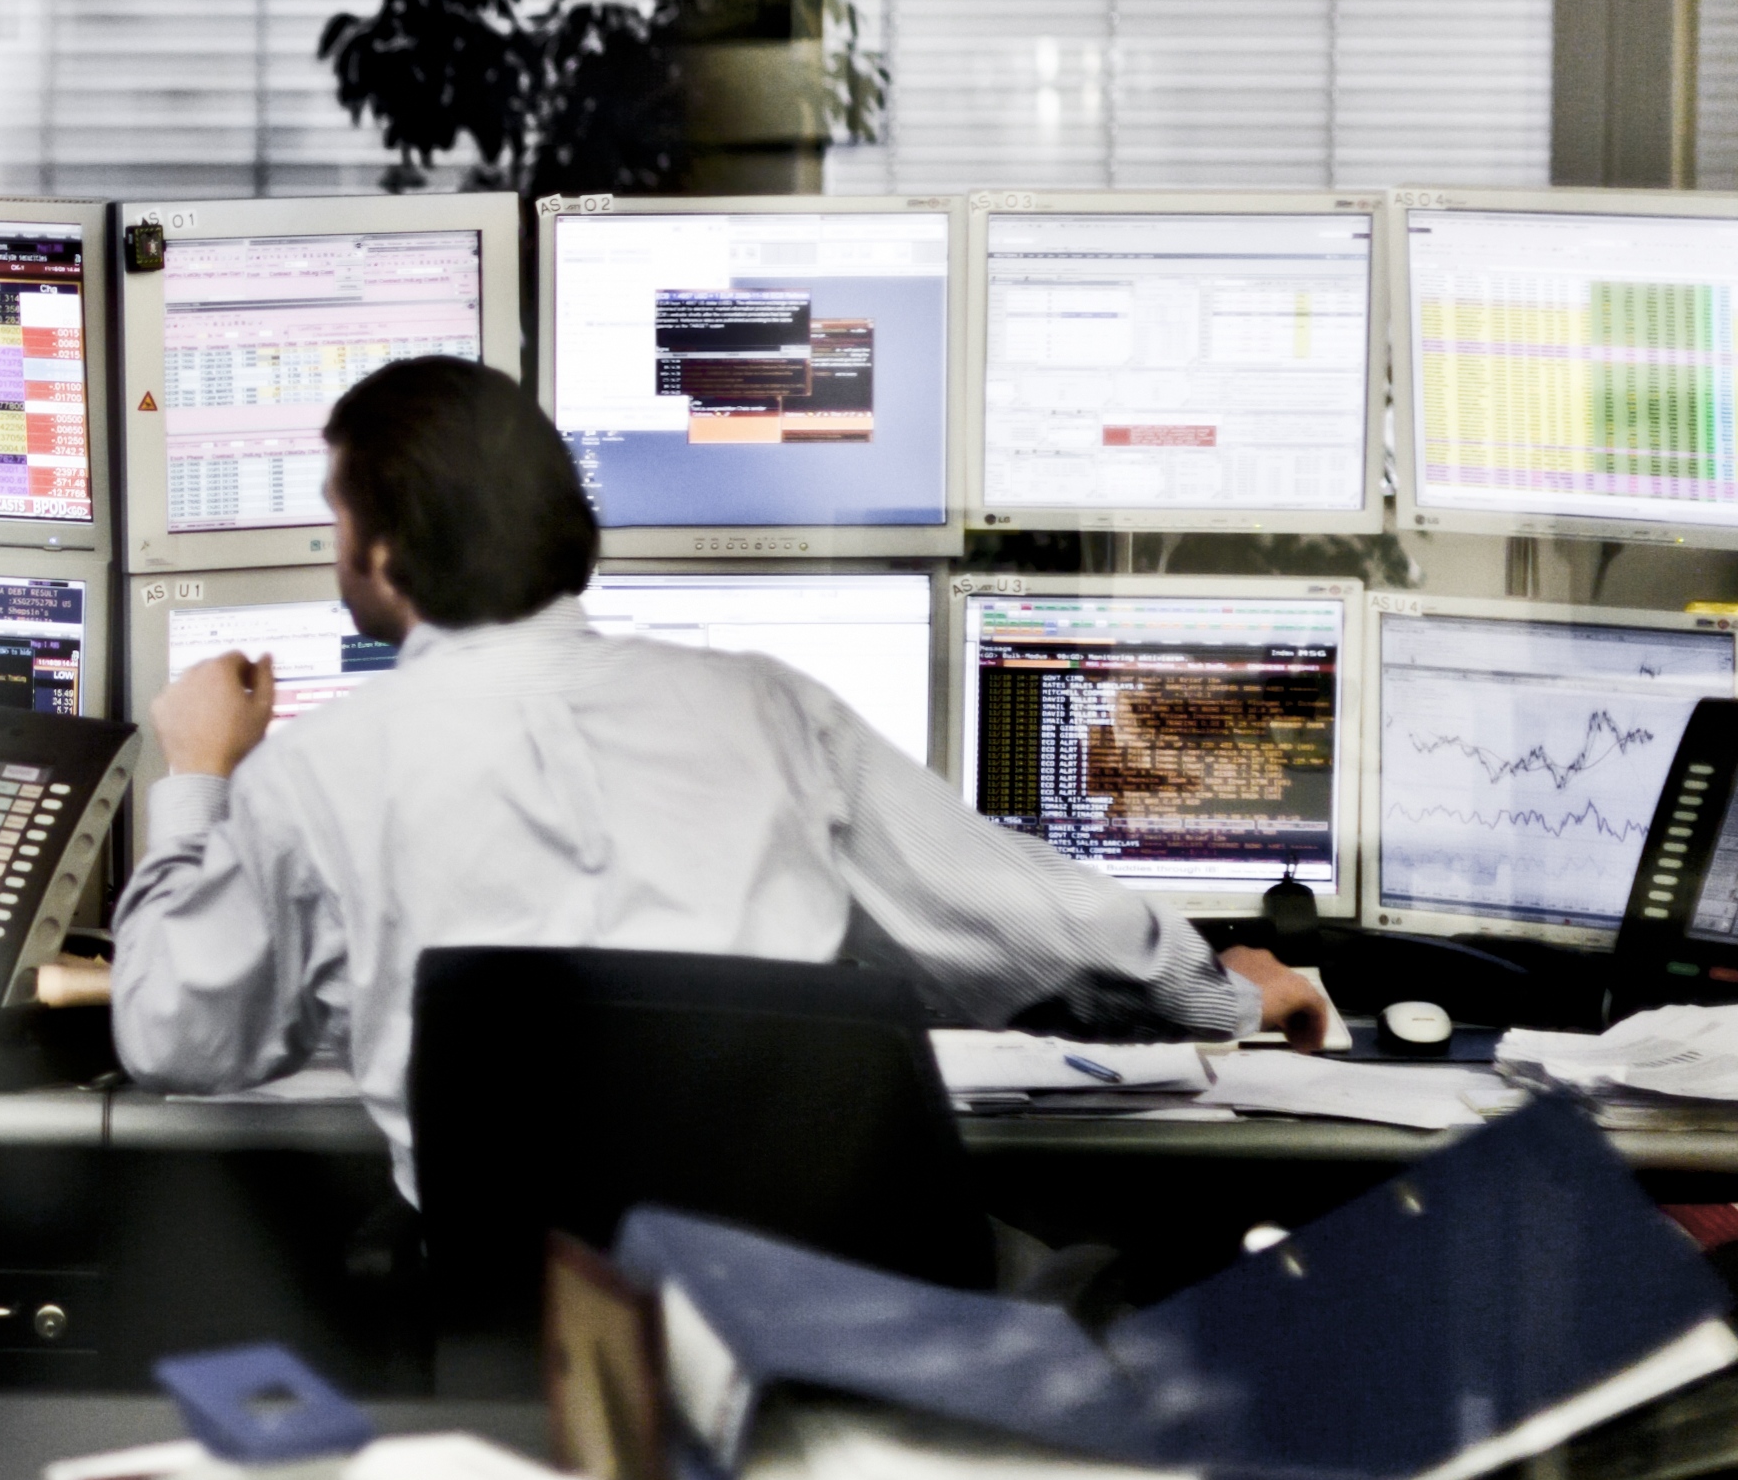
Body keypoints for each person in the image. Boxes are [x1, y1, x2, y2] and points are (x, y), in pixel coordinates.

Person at [110, 357, 1329, 1199]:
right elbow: (1023, 919)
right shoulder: (761, 706)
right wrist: (1221, 993)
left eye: (335, 515)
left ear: (378, 548)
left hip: (524, 1356)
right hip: (807, 1313)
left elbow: (174, 1032)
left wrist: (201, 774)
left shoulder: (317, 776)